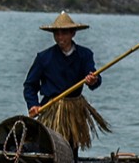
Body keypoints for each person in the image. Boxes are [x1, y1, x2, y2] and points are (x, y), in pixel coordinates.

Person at [25, 11, 106, 150]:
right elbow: (30, 86)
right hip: (51, 109)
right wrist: (33, 105)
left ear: (72, 33)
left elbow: (94, 78)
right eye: (57, 34)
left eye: (64, 33)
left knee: (70, 147)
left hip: (73, 110)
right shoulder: (44, 57)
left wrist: (93, 80)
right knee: (48, 146)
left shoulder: (84, 55)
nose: (60, 37)